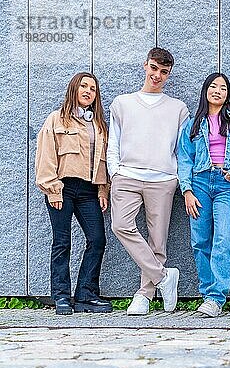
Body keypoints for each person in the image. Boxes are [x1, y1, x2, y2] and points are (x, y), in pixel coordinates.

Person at [108, 47, 189, 315]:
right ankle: (164, 277)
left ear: (169, 75)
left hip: (162, 180)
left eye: (163, 72)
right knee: (121, 225)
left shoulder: (178, 108)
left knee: (158, 241)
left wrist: (175, 177)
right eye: (154, 68)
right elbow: (113, 142)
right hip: (127, 176)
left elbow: (181, 148)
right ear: (145, 66)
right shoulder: (122, 103)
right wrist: (114, 172)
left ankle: (144, 295)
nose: (157, 75)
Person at [35, 72, 113, 315]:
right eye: (84, 86)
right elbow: (46, 155)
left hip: (89, 190)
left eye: (93, 88)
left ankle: (86, 295)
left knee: (97, 239)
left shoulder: (98, 124)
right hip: (63, 188)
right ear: (74, 89)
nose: (88, 91)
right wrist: (53, 189)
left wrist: (103, 188)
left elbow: (101, 160)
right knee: (62, 242)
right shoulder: (56, 120)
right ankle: (61, 296)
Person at [177, 73, 230, 318]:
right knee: (200, 240)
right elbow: (184, 159)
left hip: (227, 185)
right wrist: (187, 190)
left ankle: (216, 297)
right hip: (199, 183)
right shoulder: (192, 124)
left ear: (228, 94)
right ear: (205, 91)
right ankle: (207, 292)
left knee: (223, 239)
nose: (218, 91)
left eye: (223, 88)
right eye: (213, 86)